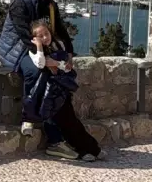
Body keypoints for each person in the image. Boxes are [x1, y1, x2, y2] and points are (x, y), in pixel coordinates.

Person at [0, 0, 99, 160]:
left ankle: (78, 144)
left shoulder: (50, 5)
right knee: (46, 79)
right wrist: (48, 61)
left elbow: (60, 29)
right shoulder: (20, 4)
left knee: (59, 85)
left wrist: (68, 53)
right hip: (18, 53)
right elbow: (25, 37)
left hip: (44, 52)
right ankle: (35, 122)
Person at [22, 19, 102, 162]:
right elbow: (40, 63)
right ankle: (85, 150)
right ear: (34, 38)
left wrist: (55, 63)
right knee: (66, 121)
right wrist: (40, 47)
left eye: (46, 34)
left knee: (70, 120)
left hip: (60, 88)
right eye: (40, 36)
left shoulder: (57, 44)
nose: (45, 38)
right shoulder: (34, 50)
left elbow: (66, 67)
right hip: (48, 93)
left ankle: (92, 148)